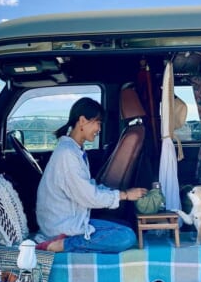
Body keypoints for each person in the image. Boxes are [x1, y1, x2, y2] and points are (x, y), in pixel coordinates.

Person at [35, 97, 148, 253]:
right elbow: (89, 196)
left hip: (72, 218)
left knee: (126, 226)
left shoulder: (75, 149)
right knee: (126, 236)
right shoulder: (67, 154)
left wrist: (114, 193)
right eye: (97, 123)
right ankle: (61, 245)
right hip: (60, 226)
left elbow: (87, 187)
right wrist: (125, 195)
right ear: (82, 121)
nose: (99, 129)